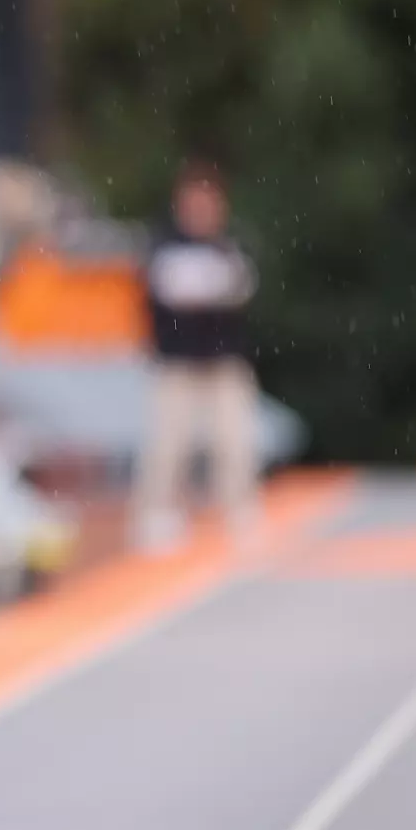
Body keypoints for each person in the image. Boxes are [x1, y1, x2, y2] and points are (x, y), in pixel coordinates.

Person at [133, 160, 262, 552]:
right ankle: (157, 514)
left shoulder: (231, 244)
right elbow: (170, 291)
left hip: (223, 360)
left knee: (235, 441)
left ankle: (239, 510)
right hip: (177, 361)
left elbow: (239, 289)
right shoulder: (163, 245)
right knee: (169, 444)